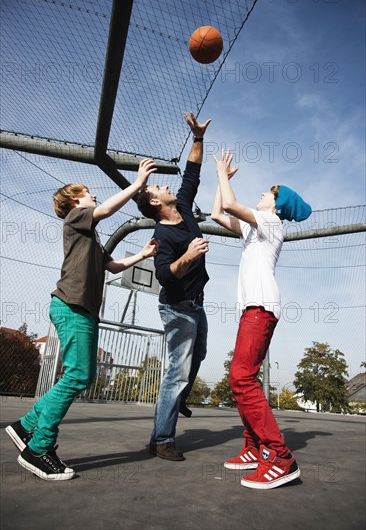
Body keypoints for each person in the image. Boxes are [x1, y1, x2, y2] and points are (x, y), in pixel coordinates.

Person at [5, 159, 158, 481]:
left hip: (82, 309)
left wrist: (142, 255)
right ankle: (39, 448)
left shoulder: (91, 237)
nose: (93, 197)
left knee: (81, 375)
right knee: (77, 375)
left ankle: (26, 425)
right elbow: (104, 212)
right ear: (75, 200)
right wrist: (135, 184)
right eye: (88, 193)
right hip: (71, 306)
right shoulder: (75, 219)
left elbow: (113, 267)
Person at [211, 150, 312, 489]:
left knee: (241, 378)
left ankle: (279, 456)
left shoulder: (270, 223)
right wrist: (222, 180)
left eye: (268, 193)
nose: (263, 194)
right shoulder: (254, 229)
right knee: (242, 377)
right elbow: (217, 212)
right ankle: (254, 447)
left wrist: (223, 174)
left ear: (277, 204)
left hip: (261, 306)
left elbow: (231, 206)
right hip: (252, 308)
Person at [136, 111, 211, 461]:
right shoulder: (162, 234)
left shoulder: (182, 206)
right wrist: (189, 256)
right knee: (176, 372)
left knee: (199, 357)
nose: (165, 185)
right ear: (154, 202)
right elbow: (165, 275)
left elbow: (192, 173)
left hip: (197, 303)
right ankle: (163, 439)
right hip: (177, 307)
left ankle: (175, 401)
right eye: (158, 187)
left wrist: (197, 137)